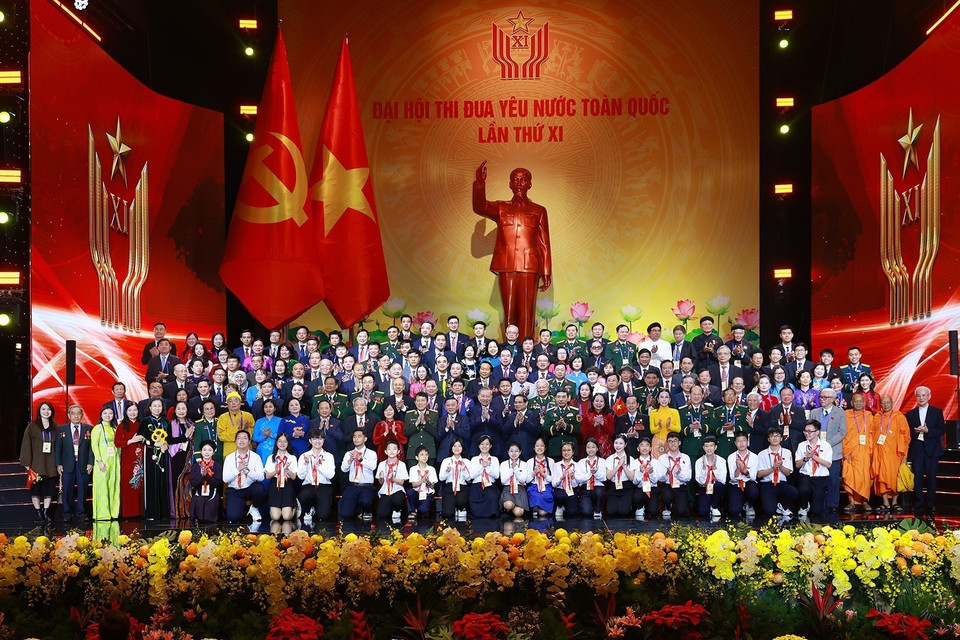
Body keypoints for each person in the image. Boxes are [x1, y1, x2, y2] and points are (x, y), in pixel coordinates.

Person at [473, 161, 552, 337]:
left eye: (523, 180)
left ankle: (527, 348)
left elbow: (544, 242)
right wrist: (479, 184)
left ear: (529, 184)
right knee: (509, 310)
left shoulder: (538, 210)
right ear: (509, 184)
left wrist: (547, 271)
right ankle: (510, 350)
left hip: (530, 266)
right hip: (506, 264)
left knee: (526, 311)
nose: (518, 183)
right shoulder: (501, 207)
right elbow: (480, 207)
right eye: (515, 180)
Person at [905, 386, 946, 518]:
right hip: (917, 449)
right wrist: (915, 431)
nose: (921, 398)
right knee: (917, 478)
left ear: (929, 396)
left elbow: (941, 430)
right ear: (916, 397)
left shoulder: (936, 412)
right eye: (918, 395)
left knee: (931, 478)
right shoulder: (911, 414)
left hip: (932, 449)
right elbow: (907, 433)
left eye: (924, 395)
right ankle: (918, 503)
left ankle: (930, 503)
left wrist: (928, 431)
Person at [20, 402, 58, 524]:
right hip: (36, 463)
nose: (46, 411)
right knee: (35, 490)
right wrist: (27, 463)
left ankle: (46, 511)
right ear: (39, 411)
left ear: (52, 412)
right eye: (43, 409)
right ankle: (38, 513)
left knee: (49, 490)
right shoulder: (32, 427)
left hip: (51, 462)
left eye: (48, 409)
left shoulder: (56, 427)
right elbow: (26, 445)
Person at [809, 388, 846, 514]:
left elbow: (842, 432)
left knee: (833, 480)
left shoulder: (840, 412)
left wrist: (826, 444)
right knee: (817, 480)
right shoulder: (814, 412)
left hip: (833, 451)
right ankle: (817, 506)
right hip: (816, 451)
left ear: (833, 399)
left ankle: (833, 505)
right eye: (821, 397)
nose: (822, 399)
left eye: (825, 397)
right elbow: (809, 430)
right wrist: (818, 444)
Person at [871, 394, 910, 513]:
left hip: (895, 454)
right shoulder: (877, 417)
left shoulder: (899, 417)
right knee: (881, 477)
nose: (886, 405)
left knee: (894, 478)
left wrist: (904, 455)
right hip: (879, 453)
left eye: (888, 402)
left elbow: (906, 437)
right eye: (883, 403)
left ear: (892, 403)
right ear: (880, 404)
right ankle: (885, 503)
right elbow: (872, 434)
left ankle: (894, 502)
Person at [56, 404, 93, 522]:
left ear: (82, 415)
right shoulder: (61, 429)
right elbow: (58, 448)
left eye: (78, 413)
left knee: (83, 489)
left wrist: (90, 462)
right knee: (67, 489)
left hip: (83, 463)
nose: (76, 416)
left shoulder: (89, 429)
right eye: (73, 413)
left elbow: (92, 449)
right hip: (67, 464)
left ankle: (81, 512)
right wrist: (58, 463)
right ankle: (67, 513)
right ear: (69, 415)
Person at [223, 430, 267, 522]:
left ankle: (254, 508)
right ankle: (241, 510)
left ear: (249, 441)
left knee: (260, 490)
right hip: (235, 490)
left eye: (244, 438)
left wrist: (247, 471)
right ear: (235, 441)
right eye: (239, 438)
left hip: (249, 488)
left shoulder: (255, 457)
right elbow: (225, 479)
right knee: (234, 517)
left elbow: (261, 477)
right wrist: (238, 469)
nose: (241, 441)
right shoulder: (229, 457)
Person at [842, 393, 874, 513]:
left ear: (864, 403)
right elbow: (843, 434)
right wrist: (845, 451)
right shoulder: (846, 415)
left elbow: (872, 433)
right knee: (850, 476)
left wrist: (871, 451)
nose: (858, 403)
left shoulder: (869, 415)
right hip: (850, 450)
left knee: (864, 477)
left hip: (864, 450)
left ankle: (865, 501)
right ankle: (851, 502)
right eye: (856, 401)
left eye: (861, 401)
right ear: (851, 403)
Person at [795, 420, 833, 520]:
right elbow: (798, 465)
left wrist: (813, 456)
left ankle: (814, 507)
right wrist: (806, 458)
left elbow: (828, 464)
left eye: (810, 431)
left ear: (817, 432)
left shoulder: (826, 445)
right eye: (805, 431)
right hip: (806, 476)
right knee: (803, 489)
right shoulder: (801, 445)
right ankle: (804, 506)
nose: (807, 434)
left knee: (817, 511)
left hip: (820, 478)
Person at [297, 429, 335, 525]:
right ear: (310, 441)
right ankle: (309, 508)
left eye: (320, 439)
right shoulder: (304, 456)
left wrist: (318, 465)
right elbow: (300, 476)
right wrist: (306, 463)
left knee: (323, 516)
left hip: (324, 486)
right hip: (309, 485)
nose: (317, 441)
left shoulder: (329, 456)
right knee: (303, 496)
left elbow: (331, 475)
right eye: (315, 439)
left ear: (323, 440)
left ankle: (318, 509)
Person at [757, 430, 798, 518]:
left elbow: (788, 473)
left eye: (777, 436)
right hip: (767, 484)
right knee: (769, 511)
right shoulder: (762, 454)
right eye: (772, 436)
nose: (775, 438)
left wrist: (781, 466)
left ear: (781, 438)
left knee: (794, 492)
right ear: (768, 439)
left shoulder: (787, 452)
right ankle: (775, 506)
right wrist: (773, 468)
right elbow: (759, 474)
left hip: (782, 483)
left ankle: (782, 506)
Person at [338, 428, 378, 520]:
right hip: (353, 485)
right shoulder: (349, 453)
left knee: (365, 501)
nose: (356, 439)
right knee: (345, 514)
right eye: (354, 437)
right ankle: (358, 510)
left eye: (359, 436)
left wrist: (360, 459)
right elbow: (343, 469)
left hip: (366, 486)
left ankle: (367, 510)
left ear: (365, 439)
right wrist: (350, 460)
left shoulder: (371, 453)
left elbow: (373, 467)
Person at [90, 407, 120, 521]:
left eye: (111, 413)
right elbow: (94, 446)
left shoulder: (114, 429)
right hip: (102, 462)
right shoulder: (97, 429)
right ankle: (103, 513)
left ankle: (114, 512)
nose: (108, 415)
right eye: (105, 413)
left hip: (114, 461)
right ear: (101, 415)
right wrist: (99, 461)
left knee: (113, 485)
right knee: (102, 486)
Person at [167, 401, 195, 518]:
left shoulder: (191, 423)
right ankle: (177, 511)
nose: (181, 411)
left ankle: (189, 510)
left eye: (183, 408)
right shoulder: (171, 423)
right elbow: (169, 440)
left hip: (190, 456)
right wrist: (185, 436)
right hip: (177, 456)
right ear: (175, 410)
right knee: (177, 482)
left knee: (188, 482)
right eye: (179, 408)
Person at [655, 432, 691, 519]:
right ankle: (667, 506)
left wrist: (679, 473)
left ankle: (675, 504)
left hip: (680, 486)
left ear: (679, 443)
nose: (673, 443)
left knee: (681, 512)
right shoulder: (662, 458)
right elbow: (660, 478)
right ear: (667, 443)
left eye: (675, 441)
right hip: (667, 485)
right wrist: (666, 473)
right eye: (670, 441)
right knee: (667, 496)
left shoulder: (685, 457)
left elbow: (688, 477)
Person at [264, 433, 299, 522]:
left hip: (287, 485)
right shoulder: (271, 457)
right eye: (280, 441)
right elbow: (268, 476)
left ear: (288, 443)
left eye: (285, 441)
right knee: (275, 517)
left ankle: (295, 505)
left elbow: (294, 477)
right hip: (274, 485)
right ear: (276, 443)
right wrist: (276, 471)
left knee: (286, 517)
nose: (282, 444)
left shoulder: (292, 457)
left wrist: (287, 470)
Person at [604, 434, 638, 518]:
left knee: (623, 512)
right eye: (616, 443)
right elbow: (608, 477)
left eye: (620, 443)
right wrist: (618, 465)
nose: (618, 446)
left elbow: (631, 478)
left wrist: (624, 466)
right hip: (614, 487)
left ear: (625, 444)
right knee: (611, 511)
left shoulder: (631, 459)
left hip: (626, 487)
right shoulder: (609, 459)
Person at [726, 432, 759, 518]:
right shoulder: (731, 457)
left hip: (749, 483)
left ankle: (749, 505)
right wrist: (738, 468)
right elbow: (732, 477)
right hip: (735, 483)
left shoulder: (754, 457)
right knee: (734, 511)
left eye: (743, 440)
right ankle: (740, 505)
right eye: (738, 441)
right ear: (735, 443)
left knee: (753, 491)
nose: (741, 443)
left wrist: (744, 471)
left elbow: (753, 477)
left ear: (747, 442)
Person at [375, 440, 409, 522]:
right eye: (389, 449)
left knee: (398, 500)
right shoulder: (381, 464)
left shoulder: (401, 464)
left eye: (394, 449)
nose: (392, 451)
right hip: (385, 491)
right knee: (382, 515)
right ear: (385, 451)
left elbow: (402, 482)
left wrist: (393, 479)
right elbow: (381, 482)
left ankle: (397, 510)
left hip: (397, 490)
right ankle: (389, 509)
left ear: (398, 451)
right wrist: (381, 478)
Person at [189, 440, 222, 523]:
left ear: (214, 452)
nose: (207, 452)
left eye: (210, 450)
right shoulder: (196, 466)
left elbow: (217, 484)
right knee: (199, 501)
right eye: (204, 450)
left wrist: (206, 476)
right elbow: (193, 483)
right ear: (201, 451)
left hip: (212, 494)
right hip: (199, 495)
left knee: (210, 515)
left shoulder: (217, 466)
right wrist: (201, 476)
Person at [468, 434, 500, 518]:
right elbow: (471, 475)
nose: (484, 446)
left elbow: (496, 475)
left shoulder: (494, 459)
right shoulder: (474, 459)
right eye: (482, 444)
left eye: (487, 444)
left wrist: (488, 467)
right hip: (477, 485)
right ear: (478, 446)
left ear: (490, 446)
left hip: (490, 485)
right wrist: (482, 466)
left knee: (492, 497)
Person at [438, 438, 470, 520]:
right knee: (448, 514)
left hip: (462, 486)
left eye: (459, 446)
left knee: (461, 502)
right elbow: (441, 478)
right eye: (454, 446)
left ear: (462, 448)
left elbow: (469, 478)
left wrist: (464, 469)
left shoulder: (466, 461)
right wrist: (447, 471)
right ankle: (453, 509)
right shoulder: (446, 461)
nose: (456, 448)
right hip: (449, 487)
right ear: (451, 448)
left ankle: (461, 508)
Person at [694, 436, 726, 519]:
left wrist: (714, 469)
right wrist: (704, 469)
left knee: (719, 485)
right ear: (703, 448)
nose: (709, 448)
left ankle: (714, 506)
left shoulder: (721, 461)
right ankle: (708, 506)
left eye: (711, 446)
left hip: (716, 488)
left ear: (715, 447)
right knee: (703, 512)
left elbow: (723, 480)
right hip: (704, 487)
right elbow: (699, 481)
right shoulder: (699, 462)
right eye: (706, 446)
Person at [575, 438, 606, 518]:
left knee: (598, 492)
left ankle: (598, 510)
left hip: (598, 486)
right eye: (588, 447)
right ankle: (590, 508)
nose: (590, 449)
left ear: (597, 449)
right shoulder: (581, 462)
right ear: (585, 449)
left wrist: (596, 473)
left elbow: (604, 478)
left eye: (593, 447)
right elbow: (578, 478)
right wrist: (590, 473)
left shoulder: (602, 461)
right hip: (585, 488)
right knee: (586, 512)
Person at [405, 393, 439, 465]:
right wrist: (416, 424)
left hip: (429, 451)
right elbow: (406, 432)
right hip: (413, 452)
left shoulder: (434, 414)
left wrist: (425, 423)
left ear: (427, 402)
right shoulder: (409, 414)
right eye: (418, 401)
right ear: (415, 402)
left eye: (423, 401)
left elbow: (435, 432)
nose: (420, 403)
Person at [217, 392, 254, 458]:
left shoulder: (248, 416)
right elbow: (221, 436)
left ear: (240, 403)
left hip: (246, 449)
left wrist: (245, 429)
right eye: (230, 401)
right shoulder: (222, 417)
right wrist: (237, 427)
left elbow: (253, 432)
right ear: (227, 404)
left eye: (236, 400)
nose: (233, 403)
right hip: (229, 450)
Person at [499, 442, 531, 519]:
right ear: (508, 452)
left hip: (520, 489)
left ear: (520, 452)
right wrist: (511, 469)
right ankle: (509, 509)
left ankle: (512, 511)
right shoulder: (503, 464)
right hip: (508, 489)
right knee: (509, 505)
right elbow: (503, 480)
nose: (514, 453)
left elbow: (523, 479)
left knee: (518, 513)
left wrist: (516, 469)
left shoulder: (524, 464)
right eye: (511, 451)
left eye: (516, 451)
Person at [524, 437, 554, 518]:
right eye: (537, 446)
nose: (539, 448)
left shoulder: (550, 461)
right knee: (537, 497)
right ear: (534, 448)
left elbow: (552, 479)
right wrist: (534, 472)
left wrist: (544, 474)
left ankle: (538, 508)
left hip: (546, 486)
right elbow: (527, 480)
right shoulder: (529, 462)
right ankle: (535, 507)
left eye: (542, 446)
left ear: (545, 447)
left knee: (542, 513)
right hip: (534, 486)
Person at [407, 445, 438, 520]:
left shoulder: (431, 469)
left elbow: (432, 486)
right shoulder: (413, 469)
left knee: (423, 510)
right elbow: (414, 485)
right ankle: (413, 510)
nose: (424, 457)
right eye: (422, 455)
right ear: (417, 457)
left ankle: (423, 509)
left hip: (427, 494)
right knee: (410, 492)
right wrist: (422, 481)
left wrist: (428, 482)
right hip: (417, 493)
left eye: (426, 455)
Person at [649, 390, 681, 458]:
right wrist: (659, 427)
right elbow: (652, 430)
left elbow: (678, 429)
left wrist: (670, 426)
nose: (664, 399)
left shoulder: (675, 412)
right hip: (657, 441)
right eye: (661, 397)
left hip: (671, 442)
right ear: (658, 399)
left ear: (669, 400)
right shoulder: (653, 412)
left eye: (666, 397)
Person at [552, 441, 580, 519]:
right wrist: (562, 477)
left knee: (572, 512)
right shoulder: (556, 465)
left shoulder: (576, 465)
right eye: (564, 450)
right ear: (561, 452)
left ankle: (566, 506)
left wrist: (573, 477)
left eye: (569, 450)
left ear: (573, 452)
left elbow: (577, 484)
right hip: (560, 490)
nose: (566, 452)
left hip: (571, 489)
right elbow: (554, 484)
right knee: (560, 496)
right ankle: (560, 506)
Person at [581, 393, 614, 458]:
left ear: (605, 403)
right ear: (592, 402)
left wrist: (603, 423)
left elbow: (612, 433)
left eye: (601, 401)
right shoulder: (587, 416)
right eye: (596, 401)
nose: (599, 403)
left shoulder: (609, 416)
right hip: (591, 447)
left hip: (606, 447)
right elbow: (583, 432)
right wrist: (594, 425)